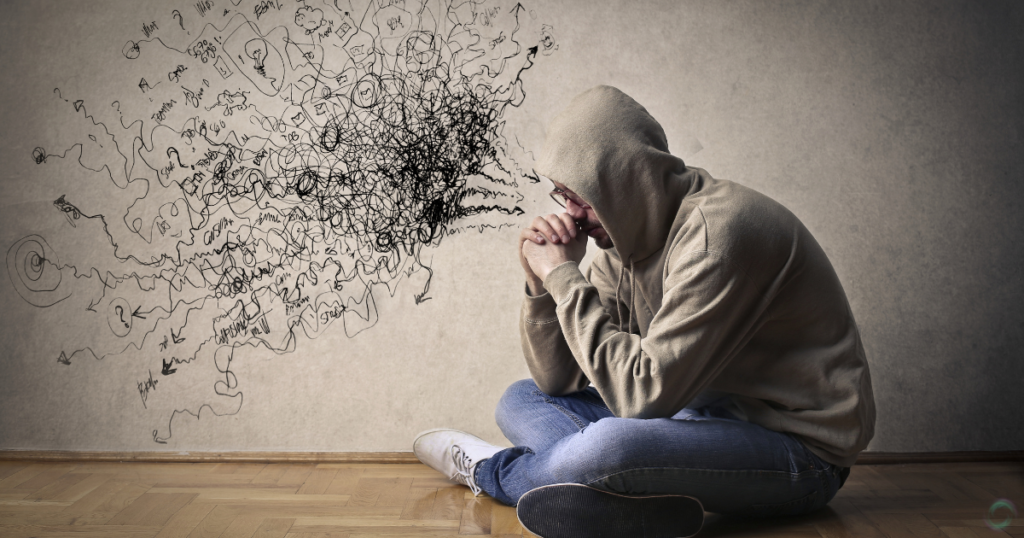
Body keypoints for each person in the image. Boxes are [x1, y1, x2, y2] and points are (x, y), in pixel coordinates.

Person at [413, 86, 876, 538]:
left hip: (801, 453)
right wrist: (540, 287)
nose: (571, 216)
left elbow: (641, 397)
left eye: (581, 196)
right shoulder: (623, 246)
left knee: (612, 446)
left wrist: (563, 278)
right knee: (522, 398)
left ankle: (492, 472)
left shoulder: (720, 234)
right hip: (691, 421)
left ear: (624, 179)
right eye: (562, 195)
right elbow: (560, 381)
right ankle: (634, 505)